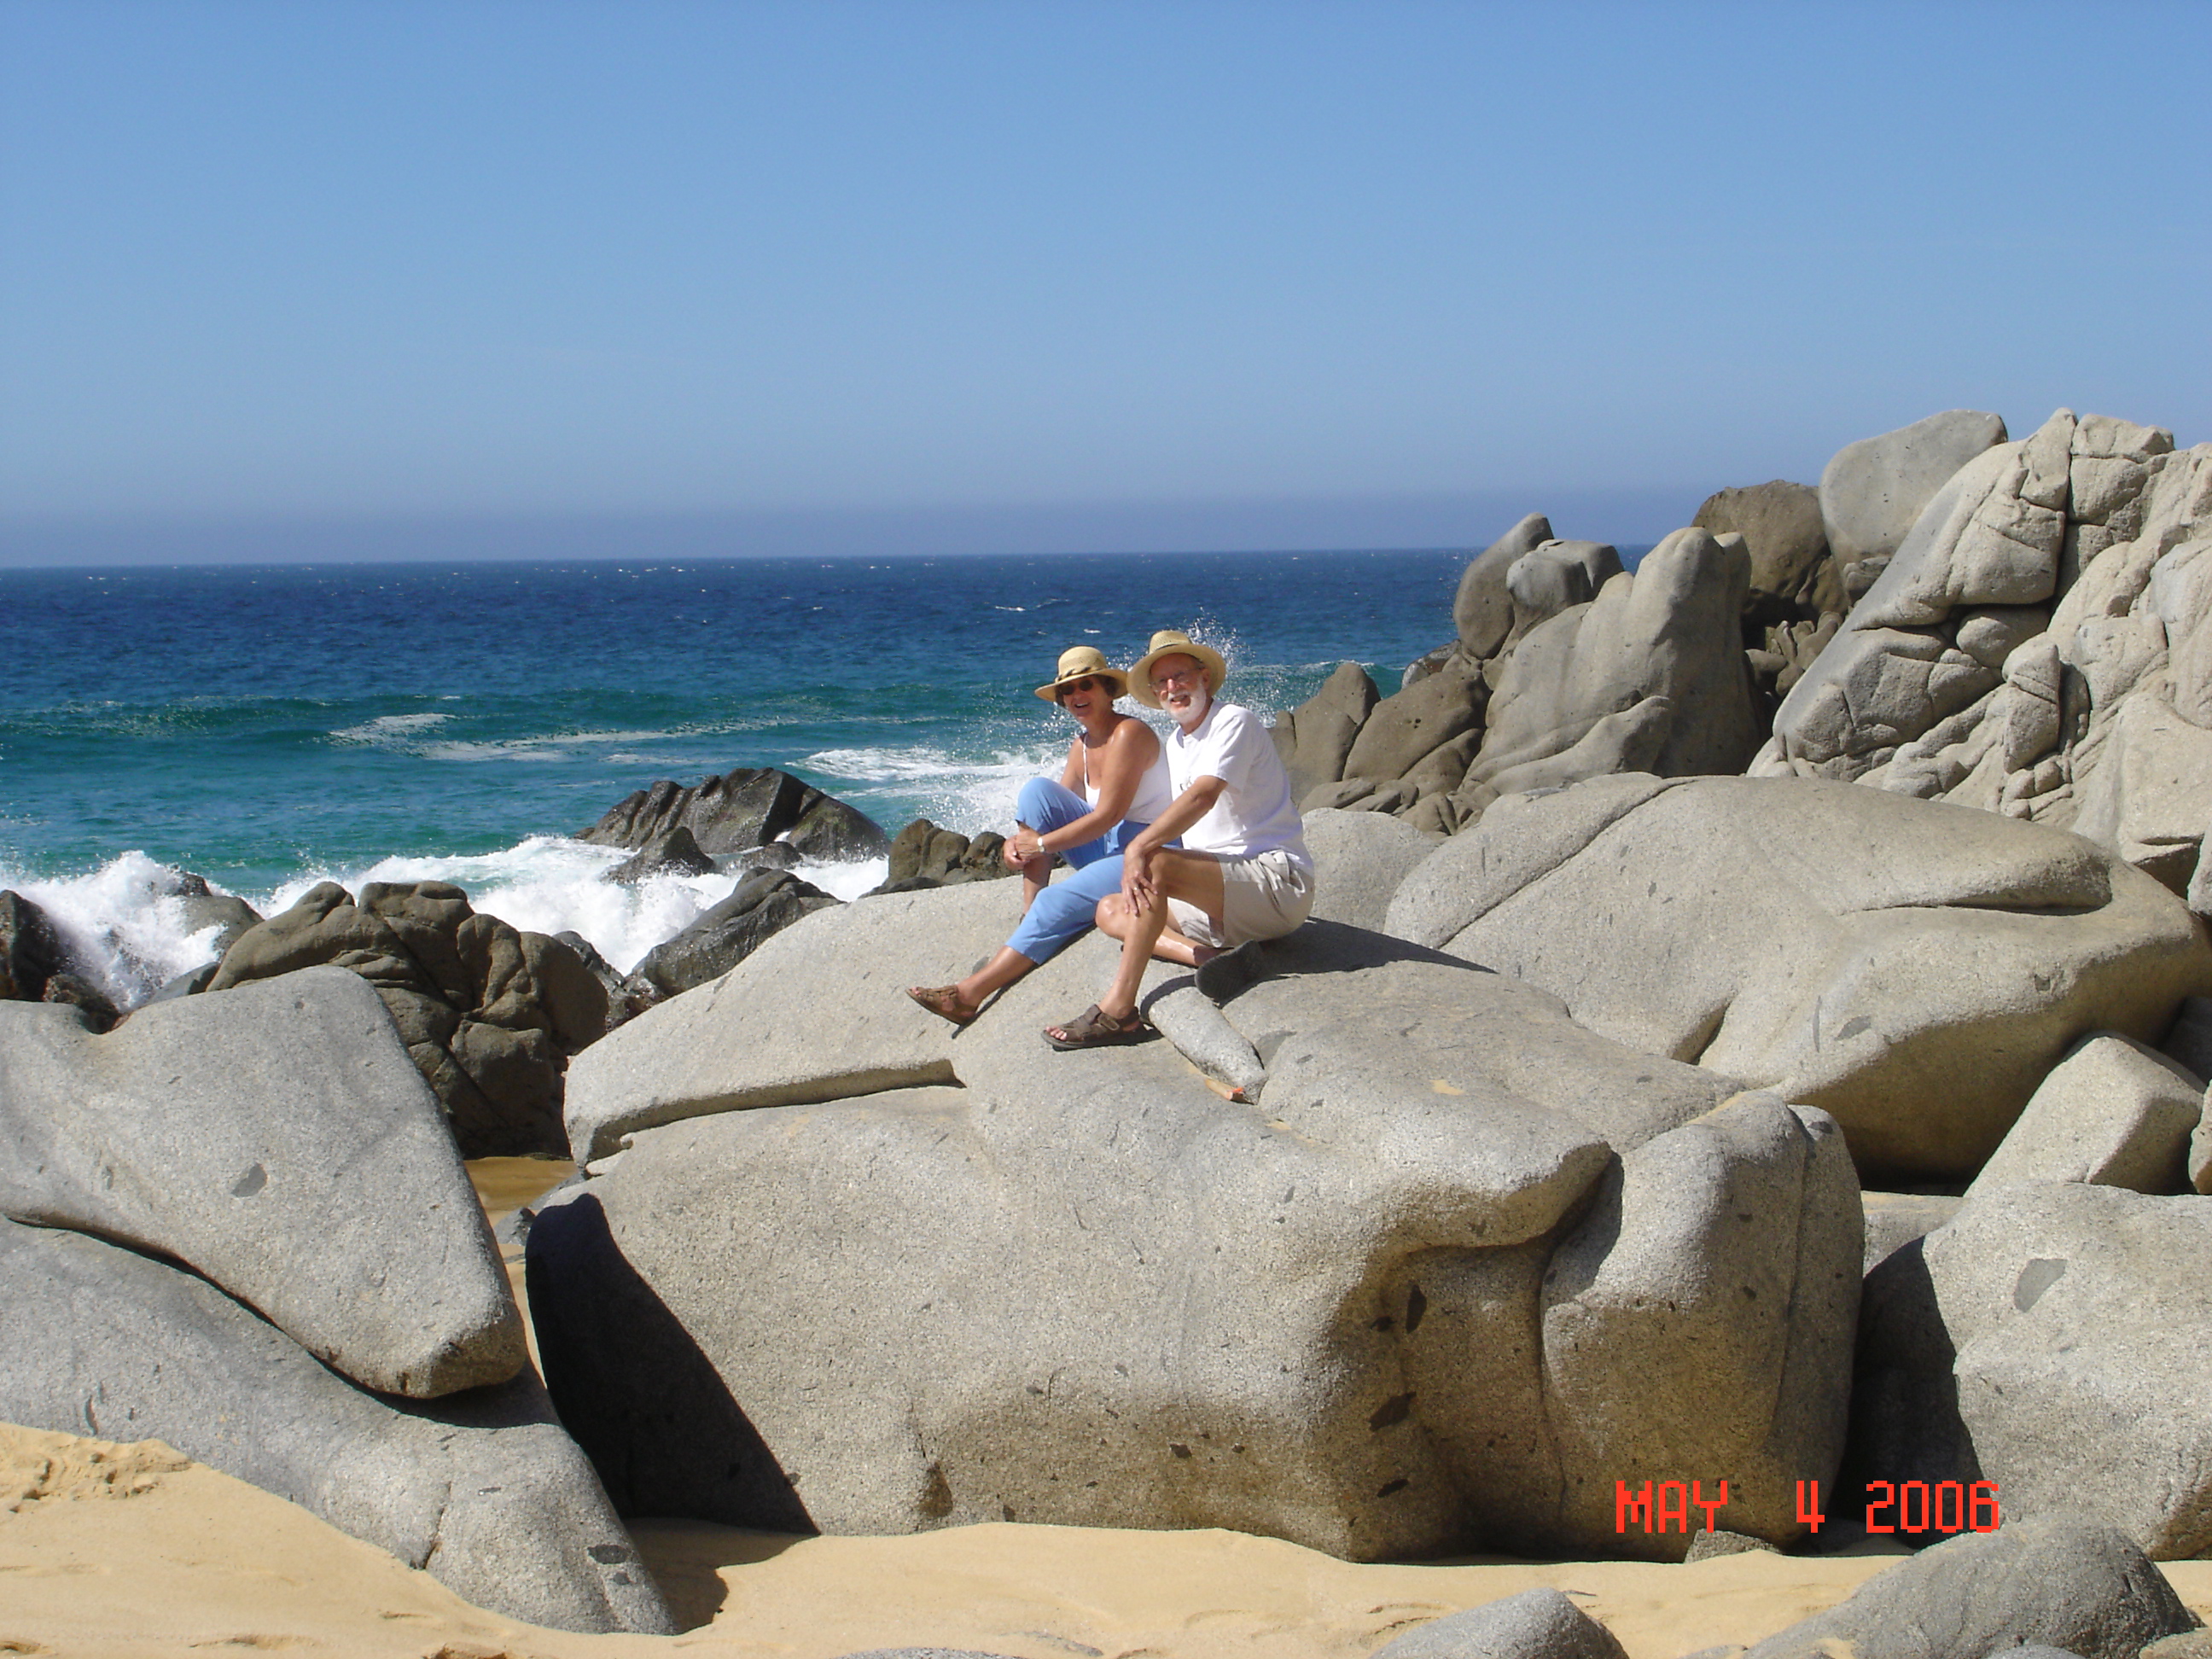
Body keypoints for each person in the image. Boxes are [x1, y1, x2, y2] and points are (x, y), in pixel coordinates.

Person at [1044, 628, 1315, 1049]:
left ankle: (1120, 1011)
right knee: (1110, 909)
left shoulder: (1233, 721)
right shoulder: (1176, 743)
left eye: (1181, 676)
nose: (1173, 687)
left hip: (1273, 883)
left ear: (1204, 678)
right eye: (1162, 682)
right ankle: (1214, 960)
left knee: (1152, 862)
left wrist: (1139, 847)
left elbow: (1203, 796)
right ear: (1155, 693)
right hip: (1222, 900)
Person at [905, 644, 1173, 1025]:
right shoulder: (1081, 745)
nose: (1076, 695)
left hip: (1149, 852)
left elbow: (1108, 815)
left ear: (1107, 690)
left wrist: (1042, 845)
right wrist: (1017, 843)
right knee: (1036, 791)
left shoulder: (1129, 733)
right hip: (1112, 846)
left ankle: (967, 996)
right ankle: (1030, 916)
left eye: (1086, 685)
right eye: (1068, 690)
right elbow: (1051, 812)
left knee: (1056, 899)